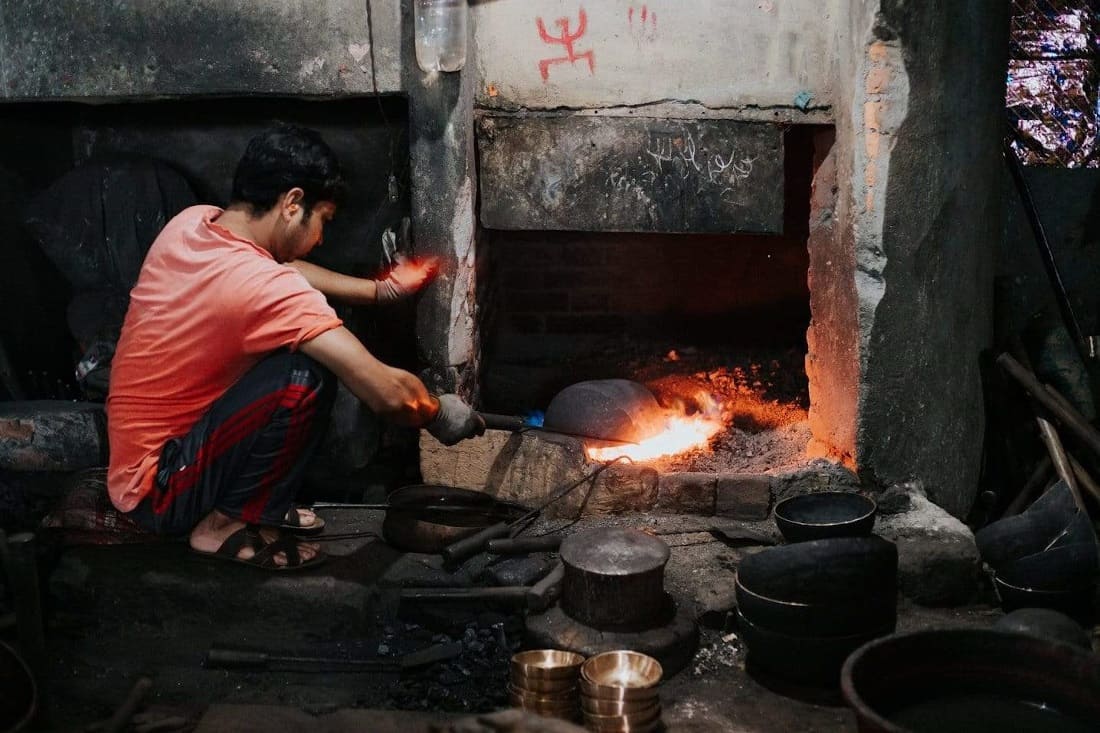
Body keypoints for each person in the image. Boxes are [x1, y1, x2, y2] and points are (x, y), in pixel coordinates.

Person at [105, 124, 484, 570]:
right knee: (303, 379)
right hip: (160, 492)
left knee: (287, 362)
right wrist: (439, 414)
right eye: (322, 219)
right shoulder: (265, 289)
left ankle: (244, 504)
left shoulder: (193, 224)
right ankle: (224, 527)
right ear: (291, 204)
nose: (321, 237)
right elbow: (386, 393)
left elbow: (283, 269)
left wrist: (379, 292)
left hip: (144, 463)